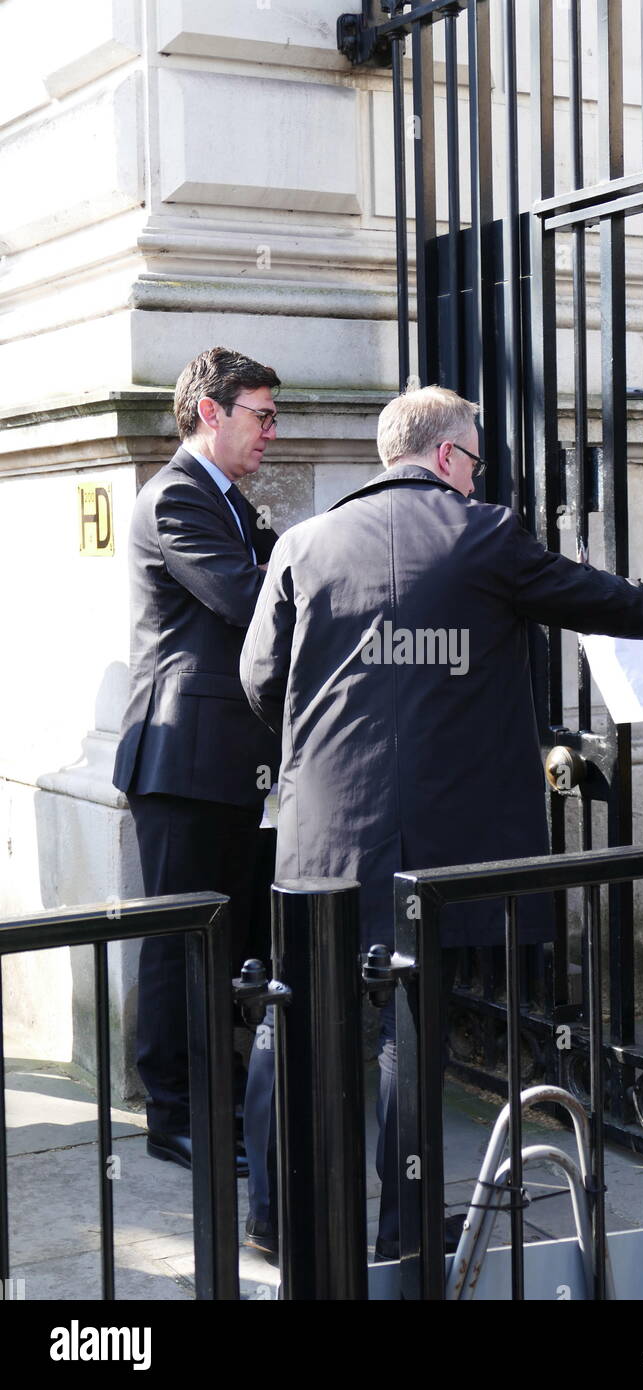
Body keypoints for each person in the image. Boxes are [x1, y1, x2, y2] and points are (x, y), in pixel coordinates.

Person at [240, 384, 643, 1259]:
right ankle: (403, 1233)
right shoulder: (482, 536)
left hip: (322, 829)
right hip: (439, 842)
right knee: (410, 1027)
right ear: (447, 457)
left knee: (290, 1019)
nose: (477, 481)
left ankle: (274, 1220)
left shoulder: (300, 542)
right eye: (475, 462)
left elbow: (260, 681)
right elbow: (593, 598)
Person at [113, 346, 281, 1178]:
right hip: (182, 759)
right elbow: (248, 598)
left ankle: (213, 1103)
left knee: (221, 940)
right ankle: (171, 1115)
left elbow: (282, 571)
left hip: (226, 761)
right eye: (261, 414)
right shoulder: (179, 495)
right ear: (210, 412)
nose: (270, 433)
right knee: (180, 943)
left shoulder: (228, 500)